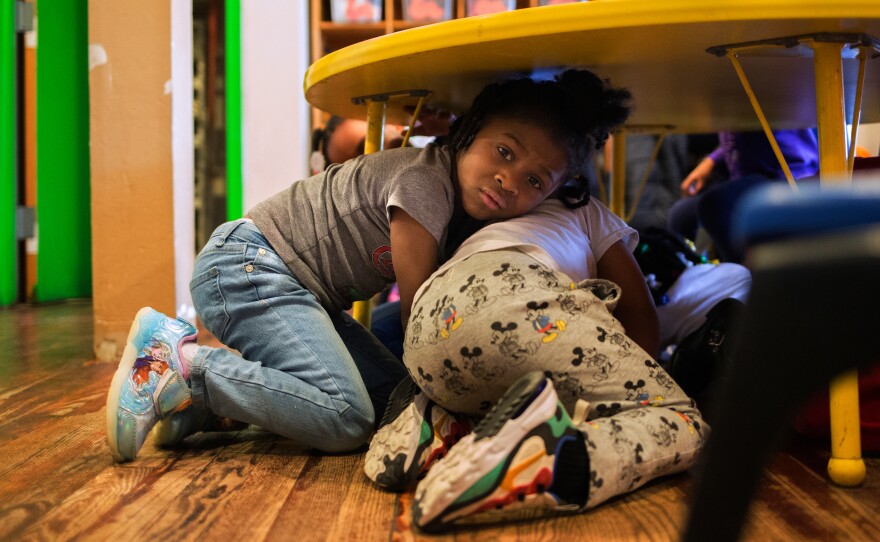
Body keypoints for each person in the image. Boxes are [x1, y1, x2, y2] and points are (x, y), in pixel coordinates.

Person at [104, 69, 633, 463]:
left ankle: (202, 407)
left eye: (536, 182)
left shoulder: (460, 200)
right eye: (504, 152)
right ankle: (182, 367)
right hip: (248, 267)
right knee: (347, 417)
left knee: (392, 405)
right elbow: (420, 324)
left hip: (295, 289)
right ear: (468, 132)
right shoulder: (425, 184)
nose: (509, 180)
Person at [364, 195, 709, 532]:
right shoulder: (587, 210)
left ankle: (440, 414)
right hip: (517, 294)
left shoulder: (475, 216)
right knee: (683, 419)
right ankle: (555, 454)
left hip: (429, 327)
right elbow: (643, 325)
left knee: (505, 380)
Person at [668, 129, 819, 262]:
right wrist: (711, 161)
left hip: (787, 172)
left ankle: (747, 278)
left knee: (716, 205)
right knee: (681, 216)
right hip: (746, 176)